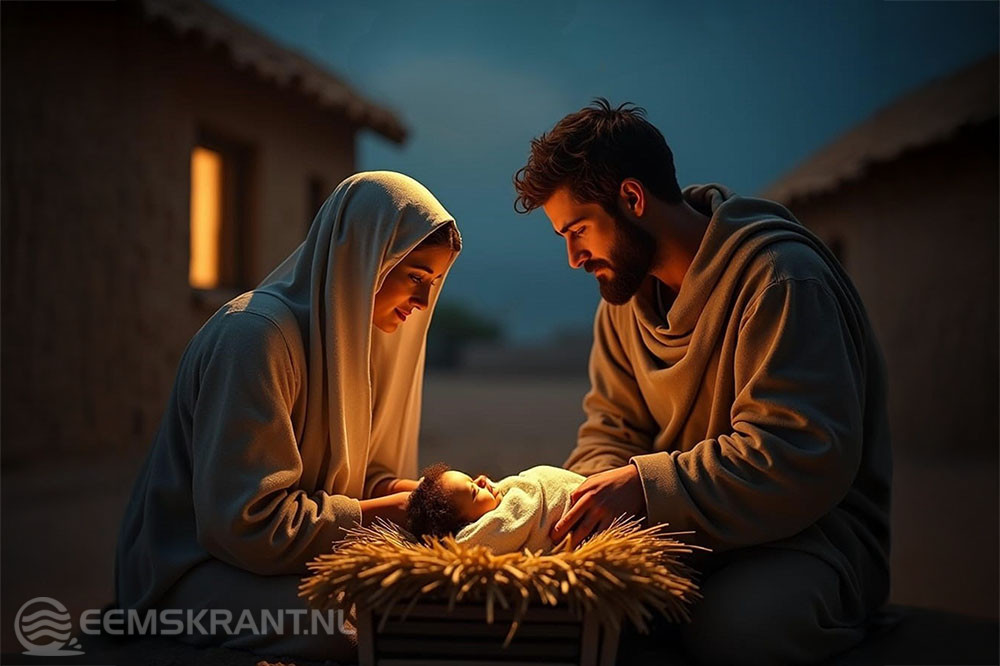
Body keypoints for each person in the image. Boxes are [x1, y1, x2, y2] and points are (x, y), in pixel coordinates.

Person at [513, 100, 892, 665]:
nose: (573, 257)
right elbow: (609, 432)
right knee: (583, 616)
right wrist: (595, 502)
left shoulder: (781, 280)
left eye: (579, 230)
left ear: (633, 199)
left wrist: (644, 487)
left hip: (810, 537)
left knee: (737, 630)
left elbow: (796, 456)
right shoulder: (624, 296)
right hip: (677, 531)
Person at [113, 171, 461, 661]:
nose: (423, 303)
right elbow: (246, 523)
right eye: (415, 277)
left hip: (284, 556)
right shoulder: (254, 338)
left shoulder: (362, 343)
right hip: (192, 570)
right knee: (345, 627)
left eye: (435, 284)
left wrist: (432, 497)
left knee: (426, 598)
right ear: (365, 258)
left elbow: (359, 478)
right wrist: (397, 514)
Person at [406, 463, 588, 554]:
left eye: (472, 479)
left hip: (585, 490)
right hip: (580, 514)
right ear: (469, 525)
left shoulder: (503, 492)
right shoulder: (495, 526)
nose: (482, 480)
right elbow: (465, 544)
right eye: (475, 491)